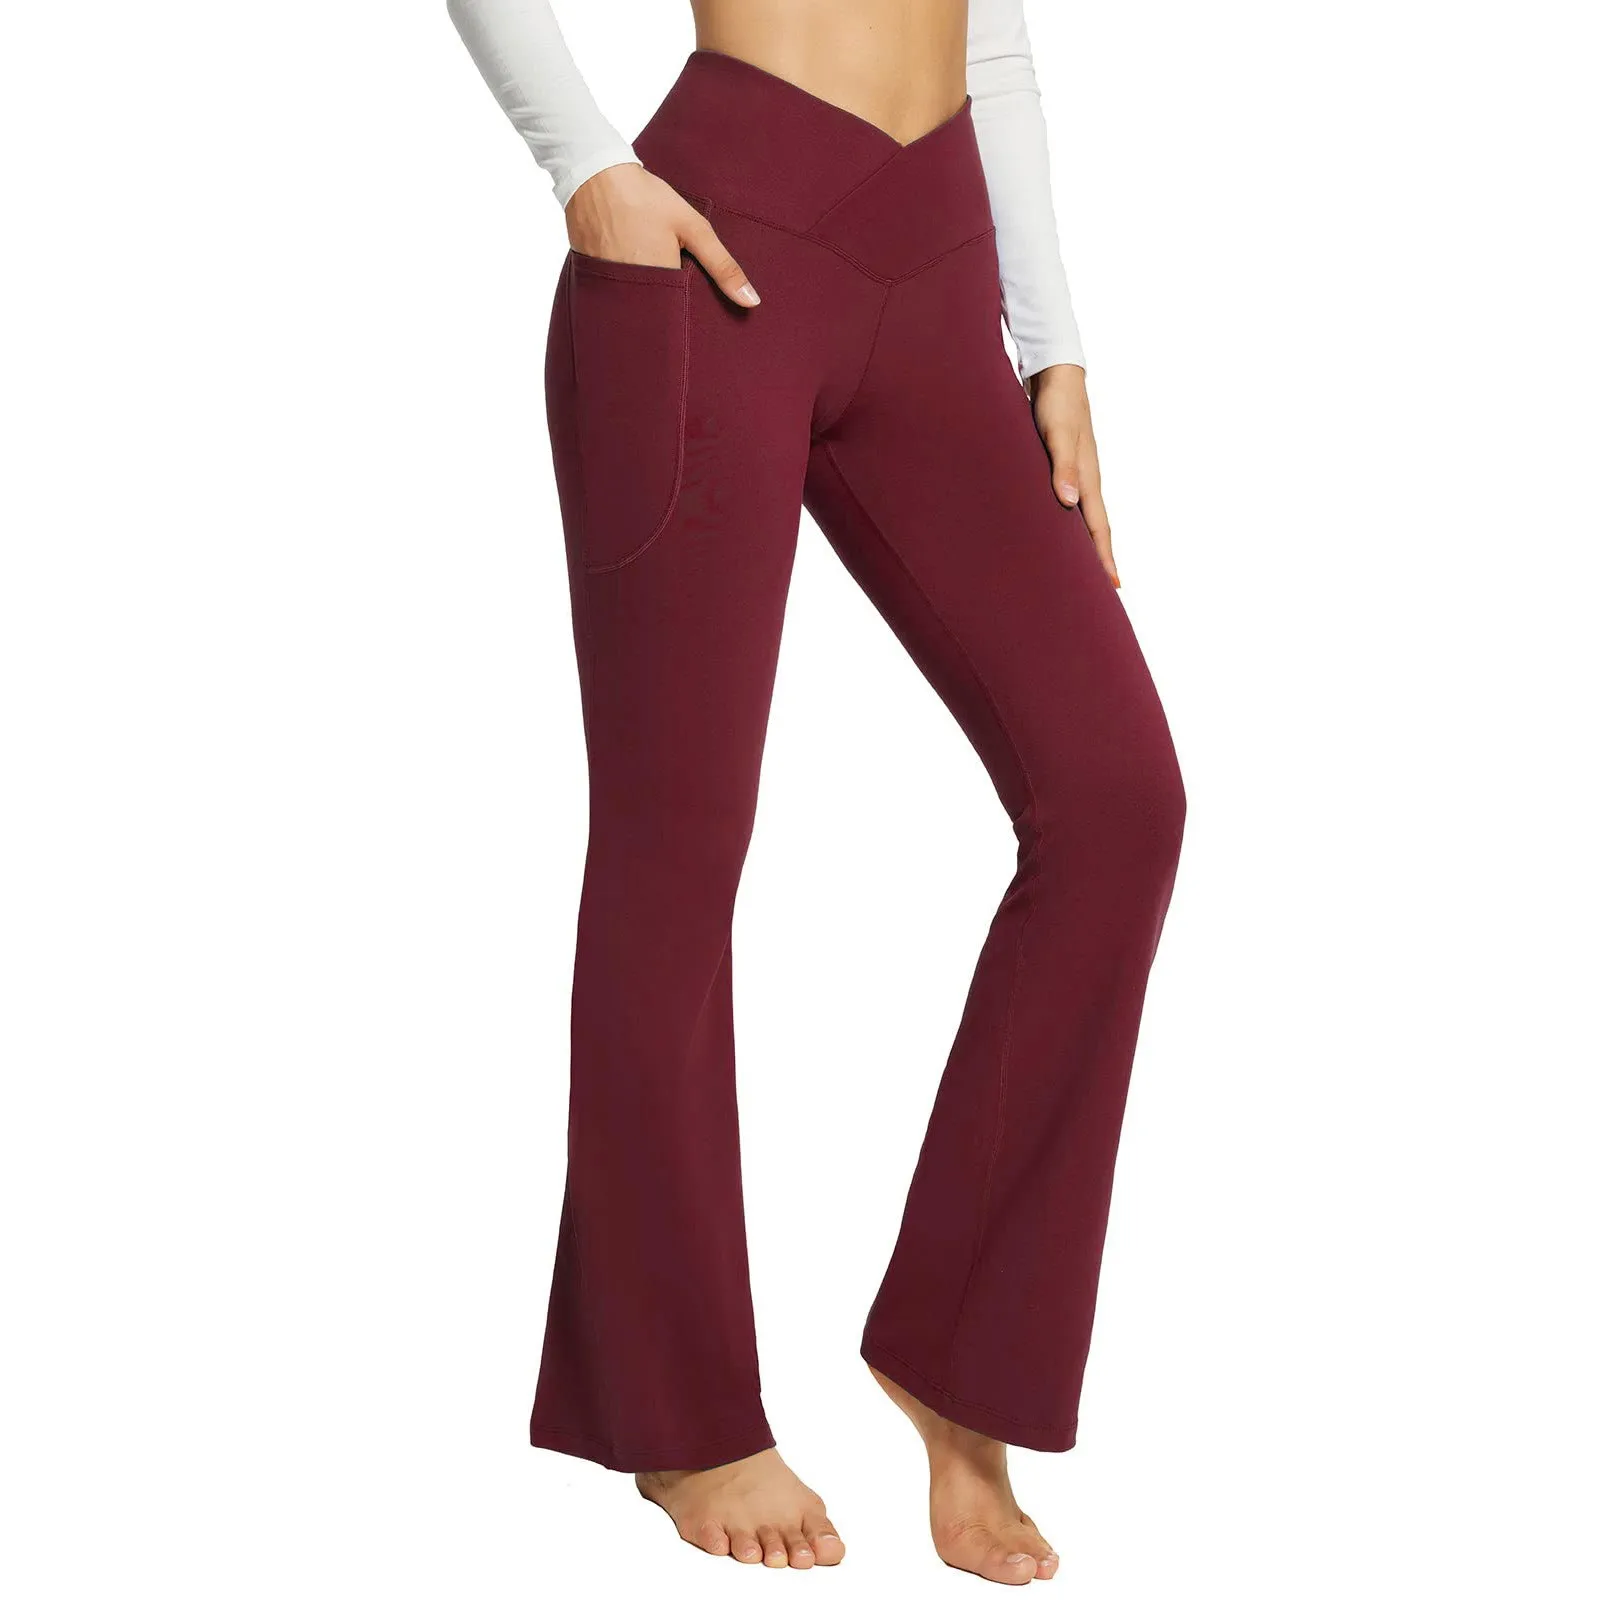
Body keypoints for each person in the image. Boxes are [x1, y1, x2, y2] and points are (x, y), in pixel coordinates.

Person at [447, 0, 1185, 1583]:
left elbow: (990, 36)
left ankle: (962, 1359)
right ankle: (678, 1413)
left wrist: (1050, 339)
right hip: (715, 237)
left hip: (941, 258)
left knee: (1119, 798)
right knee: (677, 843)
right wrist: (584, 166)